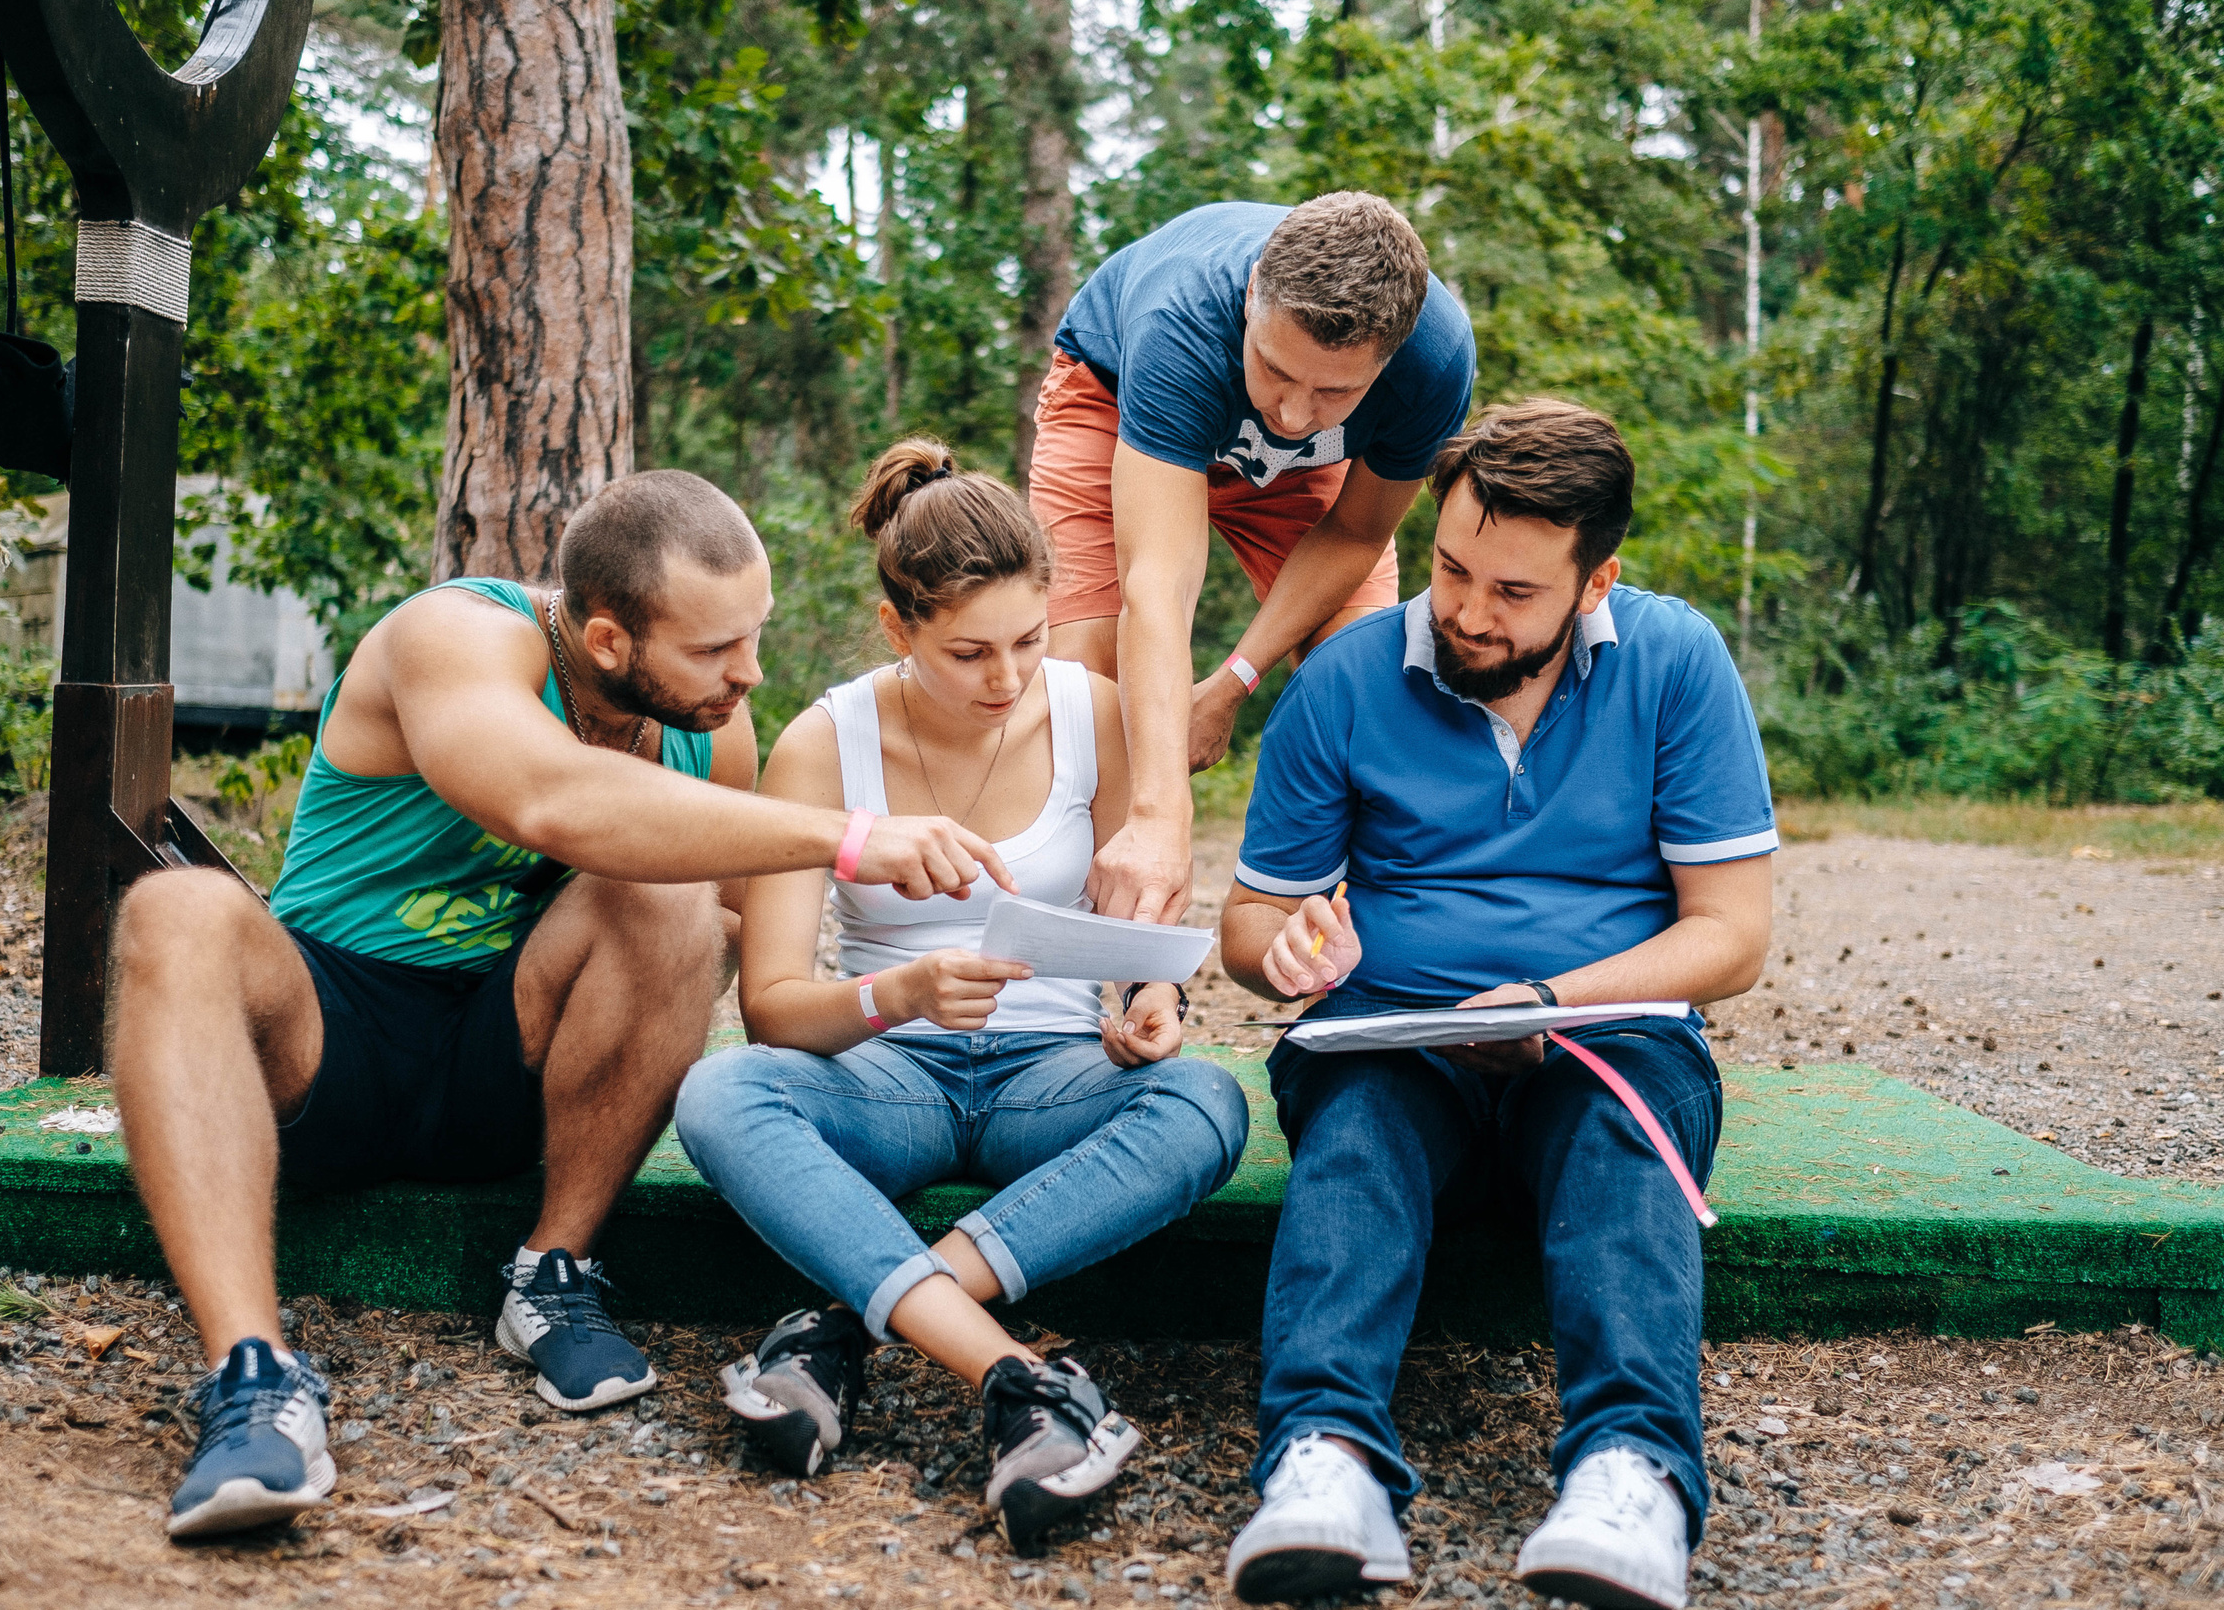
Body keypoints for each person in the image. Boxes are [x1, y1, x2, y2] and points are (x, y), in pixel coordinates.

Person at [111, 470, 1018, 1540]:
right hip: (329, 1037)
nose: (750, 673)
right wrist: (854, 835)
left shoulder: (710, 726)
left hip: (512, 1064)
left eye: (755, 637)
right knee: (176, 908)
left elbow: (718, 943)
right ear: (604, 640)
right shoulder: (451, 638)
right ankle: (253, 1380)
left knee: (678, 904)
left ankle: (552, 1270)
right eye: (714, 649)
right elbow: (548, 797)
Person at [1212, 402, 1776, 1609]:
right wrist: (1288, 951)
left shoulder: (1675, 663)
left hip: (1604, 1037)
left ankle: (1632, 1474)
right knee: (1356, 1129)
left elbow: (1729, 939)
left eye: (1514, 592)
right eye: (1451, 568)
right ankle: (1325, 1462)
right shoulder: (1348, 676)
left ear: (1598, 579)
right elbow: (1246, 932)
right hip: (1391, 1038)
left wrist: (1548, 1000)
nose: (1469, 611)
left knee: (1622, 1134)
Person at [673, 440, 1250, 1553]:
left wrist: (1146, 1002)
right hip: (891, 1078)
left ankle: (844, 1328)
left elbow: (1138, 939)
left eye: (1029, 642)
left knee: (1205, 1108)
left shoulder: (1096, 712)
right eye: (968, 651)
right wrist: (902, 991)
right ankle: (1019, 1378)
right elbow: (778, 1010)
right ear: (898, 629)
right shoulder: (823, 742)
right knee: (722, 1094)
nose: (1006, 678)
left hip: (1056, 1077)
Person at [1030, 191, 1476, 929]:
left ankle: (1361, 941)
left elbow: (1356, 535)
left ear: (1392, 355)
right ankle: (1106, 946)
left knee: (1365, 675)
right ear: (1255, 289)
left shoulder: (1436, 360)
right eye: (1275, 368)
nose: (1294, 413)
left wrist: (1235, 681)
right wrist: (1162, 817)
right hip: (1118, 402)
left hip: (1300, 476)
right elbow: (1160, 583)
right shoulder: (1182, 318)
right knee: (1086, 683)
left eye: (1336, 390)